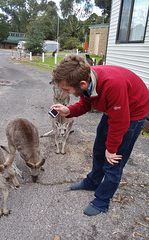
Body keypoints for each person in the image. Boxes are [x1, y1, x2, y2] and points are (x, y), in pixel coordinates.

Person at [50, 55, 149, 216]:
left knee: (113, 160)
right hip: (116, 109)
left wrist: (112, 148)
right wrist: (69, 111)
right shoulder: (86, 78)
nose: (63, 92)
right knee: (98, 149)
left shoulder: (111, 85)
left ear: (82, 84)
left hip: (132, 113)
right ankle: (93, 181)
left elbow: (120, 122)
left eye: (66, 89)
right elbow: (86, 102)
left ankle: (102, 200)